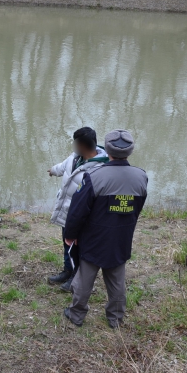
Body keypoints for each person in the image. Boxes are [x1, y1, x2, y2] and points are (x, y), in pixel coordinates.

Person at [62, 129, 147, 329]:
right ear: (130, 151)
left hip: (94, 238)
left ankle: (76, 314)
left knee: (85, 279)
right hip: (121, 237)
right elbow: (137, 209)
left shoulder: (94, 176)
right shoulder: (141, 177)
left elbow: (78, 210)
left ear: (107, 149)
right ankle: (115, 318)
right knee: (117, 280)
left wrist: (70, 235)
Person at [47, 127, 109, 292]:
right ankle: (67, 270)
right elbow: (63, 167)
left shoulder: (100, 169)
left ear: (82, 145)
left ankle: (77, 277)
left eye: (76, 142)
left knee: (79, 249)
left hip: (83, 217)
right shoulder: (75, 157)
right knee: (67, 244)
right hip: (67, 213)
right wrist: (53, 171)